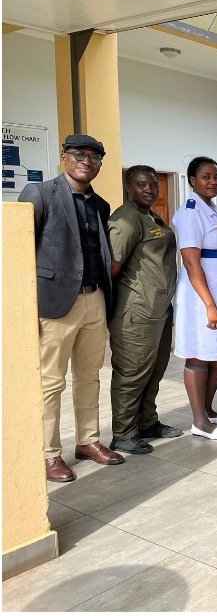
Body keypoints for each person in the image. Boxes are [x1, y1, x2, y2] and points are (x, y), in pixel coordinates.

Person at [19, 134, 124, 482]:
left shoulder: (101, 204)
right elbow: (21, 253)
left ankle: (88, 441)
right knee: (51, 382)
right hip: (55, 303)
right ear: (64, 157)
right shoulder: (40, 193)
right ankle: (49, 453)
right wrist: (27, 308)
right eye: (79, 154)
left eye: (95, 157)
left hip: (94, 300)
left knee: (89, 376)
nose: (87, 161)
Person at [107, 165, 183, 455]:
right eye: (142, 185)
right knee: (132, 372)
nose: (150, 189)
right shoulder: (126, 220)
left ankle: (147, 422)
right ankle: (123, 433)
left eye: (154, 185)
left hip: (160, 310)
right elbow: (112, 268)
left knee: (154, 370)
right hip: (136, 311)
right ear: (129, 186)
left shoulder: (151, 216)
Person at [172, 156, 217, 441]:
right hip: (202, 297)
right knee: (200, 356)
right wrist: (209, 304)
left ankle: (208, 409)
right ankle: (199, 420)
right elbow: (191, 262)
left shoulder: (214, 210)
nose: (213, 182)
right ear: (192, 180)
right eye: (206, 176)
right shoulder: (190, 212)